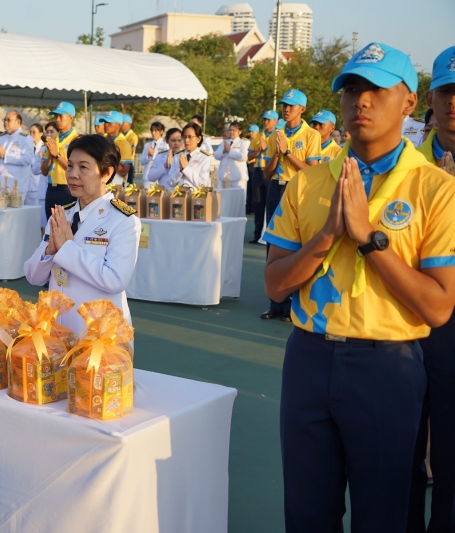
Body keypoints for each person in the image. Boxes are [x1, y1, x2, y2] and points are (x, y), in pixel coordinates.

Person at [263, 42, 455, 533]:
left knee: (384, 515)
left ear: (410, 102)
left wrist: (369, 238)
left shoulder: (434, 188)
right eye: (351, 89)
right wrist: (327, 235)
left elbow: (437, 307)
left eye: (375, 89)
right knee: (306, 513)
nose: (360, 101)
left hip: (387, 365)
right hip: (308, 360)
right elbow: (275, 285)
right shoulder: (307, 184)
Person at [24, 134, 141, 336]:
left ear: (106, 173)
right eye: (70, 166)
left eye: (83, 167)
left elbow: (115, 280)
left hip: (97, 336)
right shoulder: (62, 215)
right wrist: (50, 251)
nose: (72, 174)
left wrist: (67, 248)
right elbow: (33, 276)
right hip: (57, 331)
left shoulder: (123, 221)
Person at [408, 45, 455, 533]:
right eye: (446, 91)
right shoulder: (408, 163)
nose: (454, 101)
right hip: (404, 324)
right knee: (401, 457)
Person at [261, 89, 321, 322]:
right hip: (277, 188)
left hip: (300, 191)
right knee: (273, 243)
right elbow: (267, 173)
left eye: (292, 106)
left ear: (302, 110)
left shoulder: (311, 135)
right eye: (284, 105)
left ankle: (293, 304)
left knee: (298, 244)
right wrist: (277, 154)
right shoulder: (275, 134)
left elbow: (312, 171)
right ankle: (275, 303)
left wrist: (287, 153)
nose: (286, 109)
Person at [42, 102, 80, 216]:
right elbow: (43, 171)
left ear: (70, 118)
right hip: (51, 188)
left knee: (67, 224)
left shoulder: (76, 139)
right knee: (50, 224)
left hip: (67, 189)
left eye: (61, 116)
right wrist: (50, 155)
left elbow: (75, 167)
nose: (57, 119)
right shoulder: (53, 139)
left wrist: (57, 155)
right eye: (56, 116)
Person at [248, 110, 279, 243]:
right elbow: (249, 157)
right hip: (258, 172)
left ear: (276, 122)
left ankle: (269, 235)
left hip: (270, 173)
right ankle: (257, 234)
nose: (266, 122)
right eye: (264, 119)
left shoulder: (278, 135)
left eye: (269, 119)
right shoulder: (257, 137)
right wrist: (259, 150)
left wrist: (266, 149)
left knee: (270, 203)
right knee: (258, 203)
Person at [0, 110, 35, 205]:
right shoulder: (1, 138)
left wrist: (4, 155)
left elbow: (27, 160)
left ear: (18, 122)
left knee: (14, 217)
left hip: (16, 187)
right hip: (1, 185)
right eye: (4, 120)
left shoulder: (26, 138)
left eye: (9, 120)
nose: (5, 122)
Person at [98, 111, 133, 186]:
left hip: (116, 184)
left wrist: (106, 159)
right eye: (105, 122)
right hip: (100, 183)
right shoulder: (101, 140)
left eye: (109, 122)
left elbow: (123, 171)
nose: (106, 125)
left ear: (119, 125)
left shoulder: (124, 144)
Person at [174, 122, 211, 189]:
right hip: (179, 196)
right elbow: (170, 182)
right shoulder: (178, 156)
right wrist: (180, 171)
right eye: (184, 137)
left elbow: (203, 185)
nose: (186, 140)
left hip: (195, 197)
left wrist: (186, 169)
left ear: (198, 139)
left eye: (190, 137)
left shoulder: (204, 157)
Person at [214, 121, 249, 189]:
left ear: (240, 131)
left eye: (234, 130)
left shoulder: (244, 142)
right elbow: (216, 155)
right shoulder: (225, 142)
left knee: (238, 199)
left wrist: (230, 151)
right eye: (230, 130)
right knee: (223, 198)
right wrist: (224, 151)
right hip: (224, 178)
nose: (231, 132)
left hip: (238, 179)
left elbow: (244, 157)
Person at [29, 123, 48, 229]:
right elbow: (34, 169)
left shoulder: (43, 147)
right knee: (36, 220)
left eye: (34, 132)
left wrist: (41, 161)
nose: (31, 134)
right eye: (30, 132)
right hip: (30, 185)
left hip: (39, 185)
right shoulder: (28, 146)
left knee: (44, 221)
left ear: (41, 134)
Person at [139, 121, 167, 186]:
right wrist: (149, 155)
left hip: (160, 177)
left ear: (161, 131)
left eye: (156, 131)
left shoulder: (166, 145)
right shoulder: (147, 145)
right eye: (152, 131)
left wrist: (153, 155)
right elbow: (142, 161)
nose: (153, 133)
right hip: (147, 177)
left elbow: (165, 160)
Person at [121, 114, 138, 184]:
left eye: (123, 123)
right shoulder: (121, 135)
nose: (121, 125)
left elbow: (132, 149)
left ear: (129, 124)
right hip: (119, 164)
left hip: (127, 163)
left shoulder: (133, 136)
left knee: (127, 186)